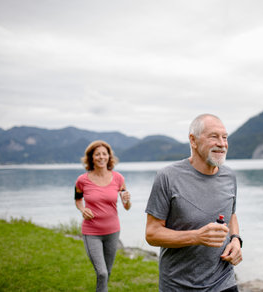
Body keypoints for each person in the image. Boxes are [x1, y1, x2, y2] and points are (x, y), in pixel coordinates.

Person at [145, 113, 243, 292]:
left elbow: (232, 215)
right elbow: (152, 233)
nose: (222, 143)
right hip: (179, 285)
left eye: (225, 137)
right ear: (193, 140)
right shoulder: (167, 177)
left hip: (224, 281)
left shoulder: (230, 177)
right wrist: (196, 237)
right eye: (214, 136)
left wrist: (236, 240)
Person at [74, 140, 131, 292]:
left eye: (104, 154)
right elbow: (78, 199)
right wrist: (82, 209)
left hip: (113, 232)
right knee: (102, 272)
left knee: (108, 272)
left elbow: (126, 206)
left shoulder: (118, 178)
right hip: (92, 232)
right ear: (91, 158)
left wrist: (127, 201)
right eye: (97, 154)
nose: (101, 157)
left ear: (109, 157)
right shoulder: (82, 180)